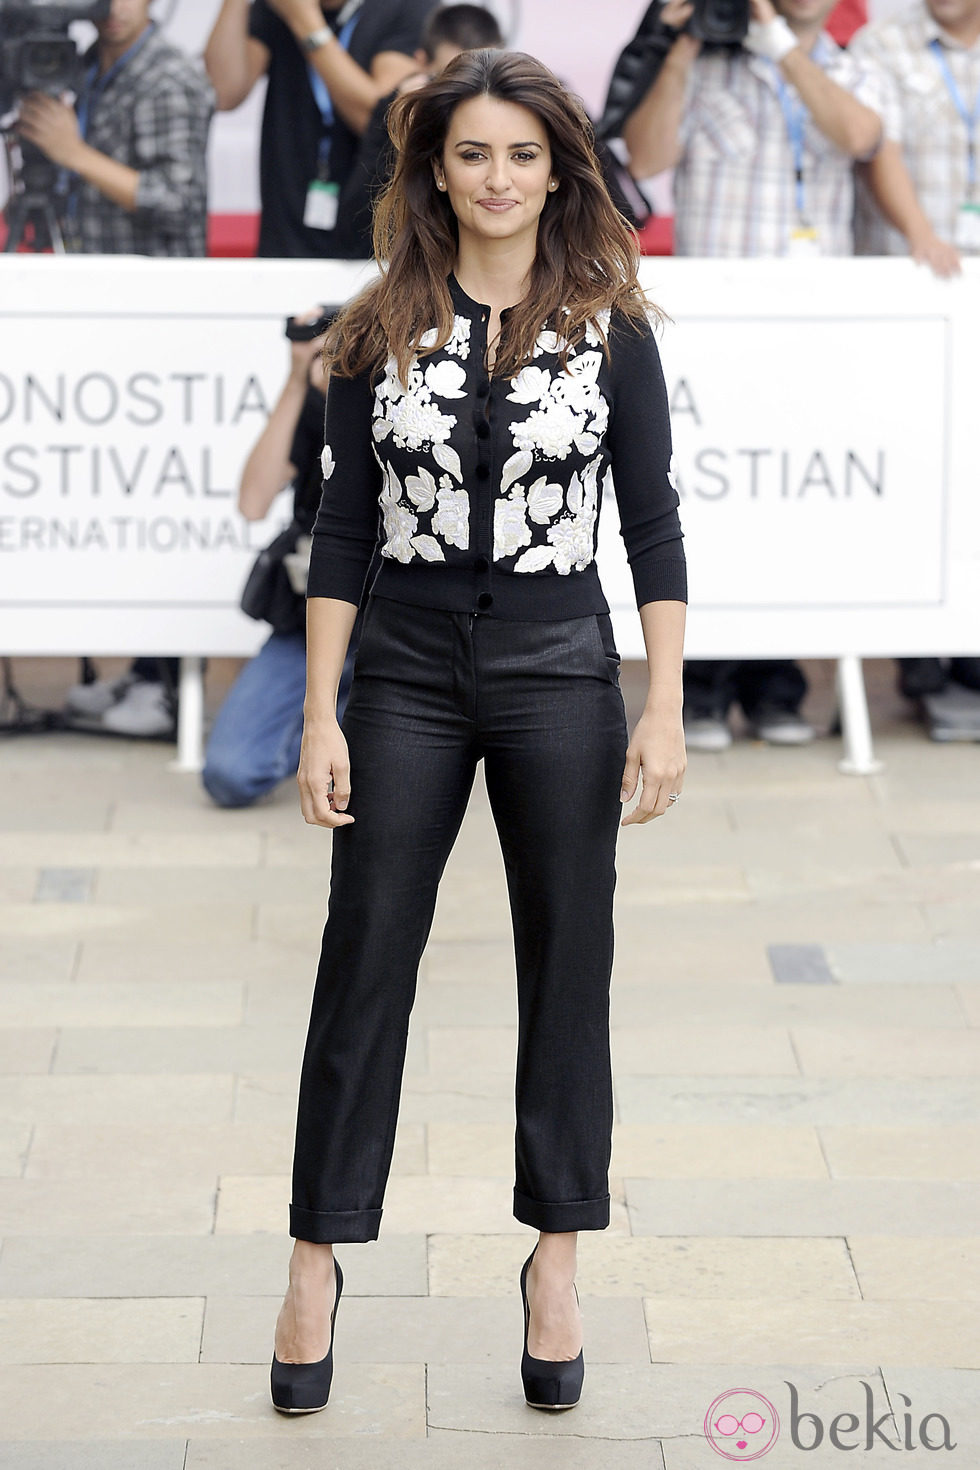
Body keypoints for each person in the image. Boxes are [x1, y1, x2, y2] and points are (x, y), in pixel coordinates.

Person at [269, 49, 688, 1416]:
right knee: (364, 953)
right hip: (402, 672)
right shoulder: (375, 320)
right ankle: (315, 1259)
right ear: (432, 170)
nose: (497, 178)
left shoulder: (614, 325)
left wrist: (664, 702)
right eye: (470, 154)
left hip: (562, 668)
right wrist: (323, 712)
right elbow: (337, 530)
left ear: (558, 166)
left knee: (571, 960)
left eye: (522, 154)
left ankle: (555, 1257)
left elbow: (653, 524)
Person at [621, 0, 883, 752]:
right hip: (718, 331)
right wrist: (682, 46)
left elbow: (860, 137)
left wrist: (780, 45)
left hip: (810, 337)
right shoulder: (704, 69)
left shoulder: (855, 66)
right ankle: (701, 687)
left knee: (793, 503)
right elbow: (643, 157)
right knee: (704, 503)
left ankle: (777, 684)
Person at [16, 0, 214, 738]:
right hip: (102, 308)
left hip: (160, 315)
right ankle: (142, 668)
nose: (115, 6)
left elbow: (179, 200)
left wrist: (72, 153)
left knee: (163, 497)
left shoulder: (167, 74)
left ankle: (166, 684)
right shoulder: (82, 65)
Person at [849, 0, 980, 735]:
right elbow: (876, 147)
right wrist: (922, 235)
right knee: (917, 475)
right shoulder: (884, 41)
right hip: (911, 298)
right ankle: (923, 665)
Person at [202, 310, 360, 808]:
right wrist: (298, 382)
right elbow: (253, 501)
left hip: (404, 627)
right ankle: (329, 737)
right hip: (313, 624)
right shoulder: (316, 409)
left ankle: (351, 739)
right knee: (231, 772)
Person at [204, 0, 434, 258]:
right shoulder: (278, 6)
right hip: (284, 228)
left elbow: (384, 124)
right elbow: (223, 92)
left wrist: (305, 21)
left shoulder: (407, 6)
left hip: (370, 240)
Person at [332, 2, 505, 256]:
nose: (471, 96)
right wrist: (400, 135)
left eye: (486, 78)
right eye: (454, 82)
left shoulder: (524, 105)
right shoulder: (397, 110)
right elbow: (353, 231)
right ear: (421, 64)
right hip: (420, 269)